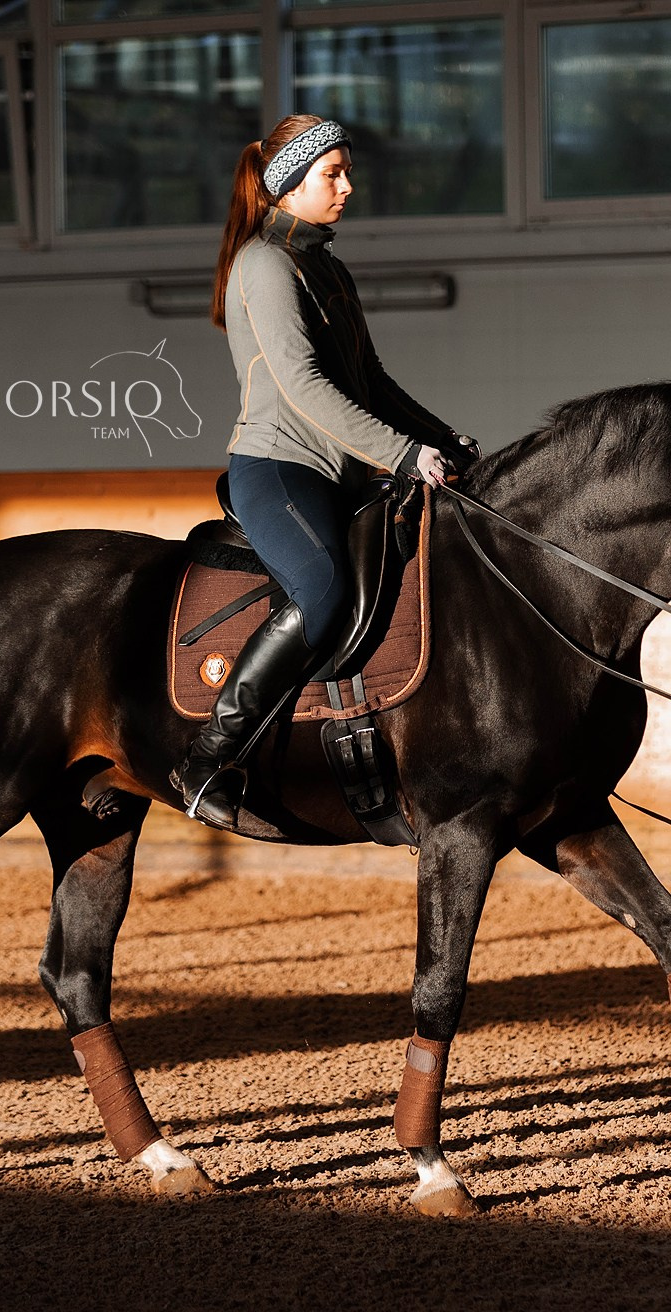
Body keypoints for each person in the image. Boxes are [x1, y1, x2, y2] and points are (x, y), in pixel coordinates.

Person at [172, 114, 467, 830]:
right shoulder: (263, 264)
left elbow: (372, 380)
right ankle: (207, 756)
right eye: (332, 173)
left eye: (345, 171)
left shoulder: (327, 266)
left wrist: (443, 438)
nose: (348, 186)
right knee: (326, 586)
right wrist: (400, 453)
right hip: (279, 467)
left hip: (338, 471)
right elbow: (303, 386)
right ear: (288, 183)